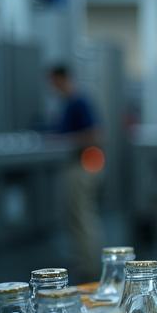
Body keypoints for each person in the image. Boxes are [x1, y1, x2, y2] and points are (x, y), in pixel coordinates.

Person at [48, 64, 103, 280]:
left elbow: (96, 135)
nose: (52, 87)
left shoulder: (79, 102)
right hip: (74, 165)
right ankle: (83, 261)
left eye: (53, 82)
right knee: (75, 215)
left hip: (82, 165)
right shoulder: (68, 103)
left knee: (82, 215)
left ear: (62, 79)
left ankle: (91, 267)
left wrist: (63, 141)